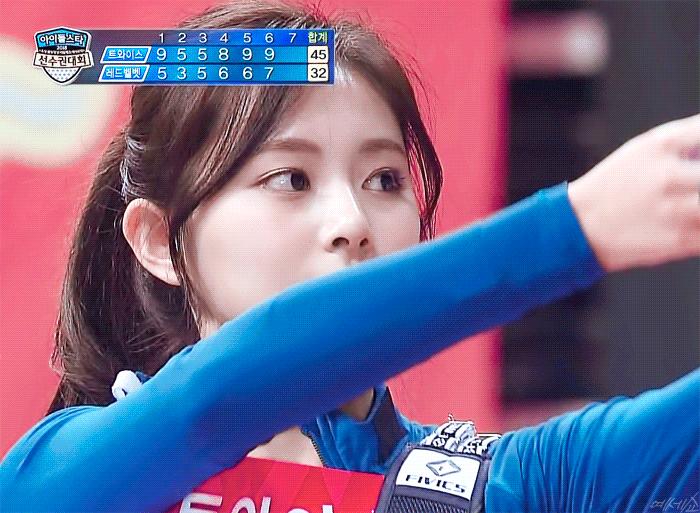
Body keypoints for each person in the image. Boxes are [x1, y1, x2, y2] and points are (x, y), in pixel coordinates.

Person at [1, 1, 698, 511]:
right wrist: (572, 228)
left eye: (385, 180)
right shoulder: (60, 475)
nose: (352, 222)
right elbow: (222, 396)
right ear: (159, 240)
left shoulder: (514, 485)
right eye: (290, 179)